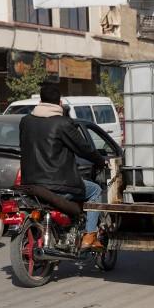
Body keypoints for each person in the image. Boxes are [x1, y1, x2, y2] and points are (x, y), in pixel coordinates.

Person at [20, 82, 107, 251]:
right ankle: (90, 235)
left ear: (41, 101)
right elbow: (84, 149)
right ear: (59, 103)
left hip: (31, 183)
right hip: (59, 184)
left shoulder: (26, 121)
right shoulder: (63, 123)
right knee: (95, 190)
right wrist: (100, 161)